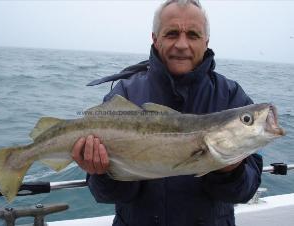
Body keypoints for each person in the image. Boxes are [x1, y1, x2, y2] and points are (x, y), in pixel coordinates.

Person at [71, 0, 263, 225]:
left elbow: (245, 192)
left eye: (193, 35)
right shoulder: (125, 95)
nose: (182, 44)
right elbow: (105, 195)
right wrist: (102, 173)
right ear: (155, 38)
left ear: (206, 41)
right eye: (172, 33)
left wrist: (230, 171)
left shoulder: (231, 96)